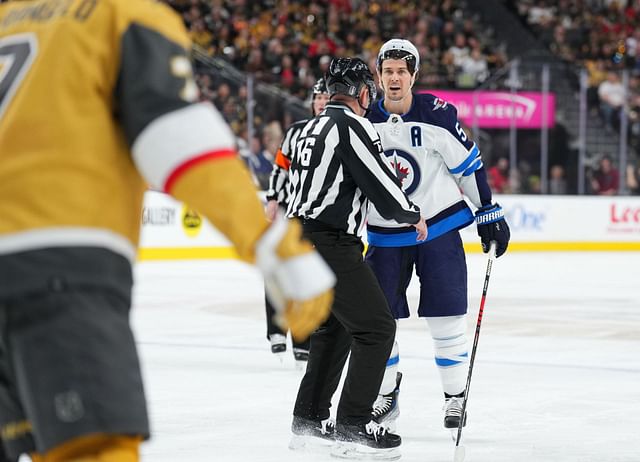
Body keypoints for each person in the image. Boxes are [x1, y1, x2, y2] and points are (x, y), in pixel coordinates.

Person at [0, 1, 335, 461]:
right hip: (59, 273)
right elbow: (176, 138)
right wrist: (269, 241)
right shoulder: (120, 15)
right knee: (94, 451)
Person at [365, 38, 510, 435]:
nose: (394, 79)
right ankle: (385, 393)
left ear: (414, 75)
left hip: (439, 229)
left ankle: (454, 397)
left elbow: (468, 166)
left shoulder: (437, 115)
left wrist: (487, 210)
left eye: (401, 71)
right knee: (377, 322)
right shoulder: (363, 121)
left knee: (447, 317)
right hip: (384, 235)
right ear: (378, 76)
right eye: (388, 71)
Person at [287, 57, 427, 460]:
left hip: (299, 241)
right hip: (330, 242)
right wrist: (412, 214)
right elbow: (382, 185)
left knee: (336, 328)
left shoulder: (308, 128)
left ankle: (309, 421)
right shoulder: (352, 126)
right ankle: (353, 425)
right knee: (377, 329)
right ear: (364, 92)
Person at [263, 77, 330, 365]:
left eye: (326, 97)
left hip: (320, 216)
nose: (321, 102)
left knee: (311, 274)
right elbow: (280, 168)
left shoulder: (340, 131)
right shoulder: (296, 132)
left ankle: (304, 338)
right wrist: (273, 198)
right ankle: (277, 330)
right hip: (292, 213)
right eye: (317, 97)